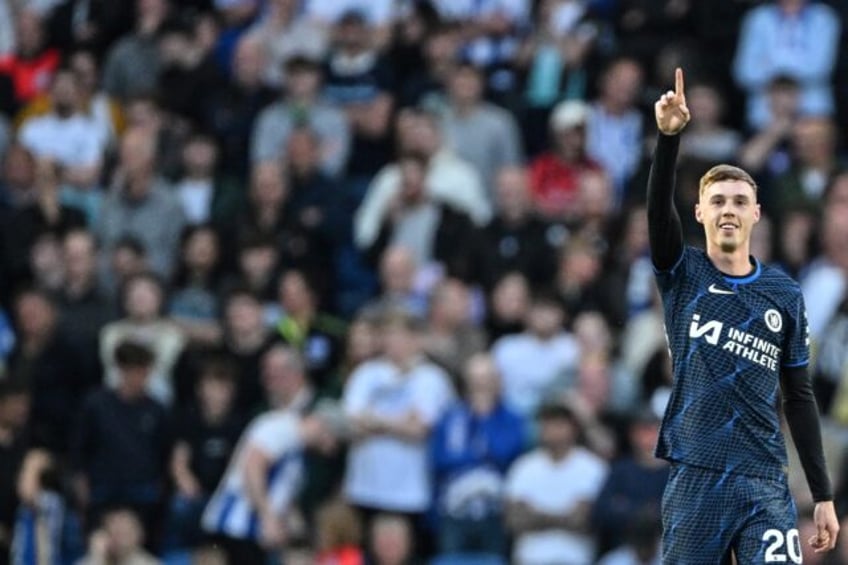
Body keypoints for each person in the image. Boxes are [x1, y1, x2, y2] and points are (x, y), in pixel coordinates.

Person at [647, 67, 839, 562]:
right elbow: (656, 214)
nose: (728, 209)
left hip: (764, 478)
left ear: (756, 213)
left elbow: (799, 396)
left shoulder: (782, 291)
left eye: (739, 201)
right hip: (697, 471)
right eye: (717, 201)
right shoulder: (682, 271)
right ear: (700, 214)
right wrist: (669, 140)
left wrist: (821, 494)